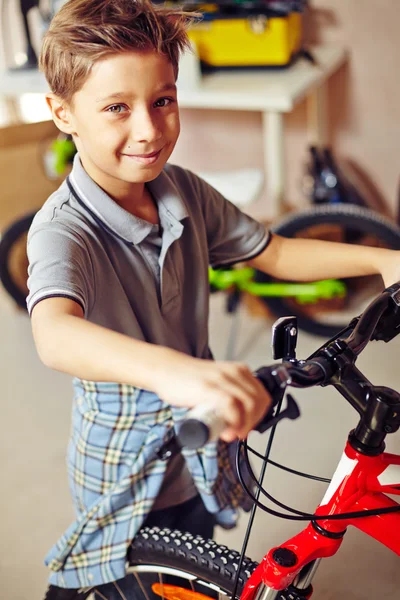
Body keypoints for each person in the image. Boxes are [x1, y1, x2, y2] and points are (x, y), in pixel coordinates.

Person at [27, 0, 400, 598]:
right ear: (62, 113)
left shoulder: (181, 190)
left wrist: (384, 260)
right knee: (123, 579)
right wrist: (186, 376)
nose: (148, 129)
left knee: (193, 559)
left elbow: (273, 253)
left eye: (163, 100)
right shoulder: (62, 231)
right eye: (117, 108)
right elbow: (54, 332)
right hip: (125, 467)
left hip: (202, 446)